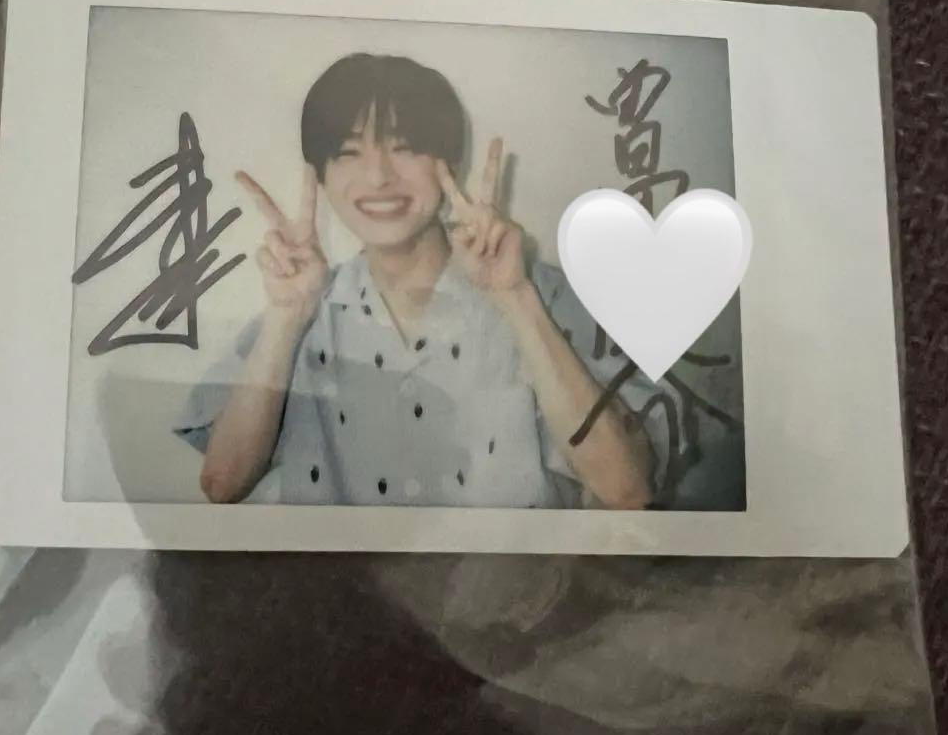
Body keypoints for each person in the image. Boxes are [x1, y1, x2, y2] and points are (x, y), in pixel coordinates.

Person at [184, 53, 661, 509]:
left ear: (448, 163)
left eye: (404, 148)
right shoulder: (304, 307)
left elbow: (628, 491)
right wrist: (286, 316)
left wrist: (514, 298)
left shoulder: (538, 291)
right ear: (322, 178)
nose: (378, 177)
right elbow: (222, 483)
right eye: (349, 152)